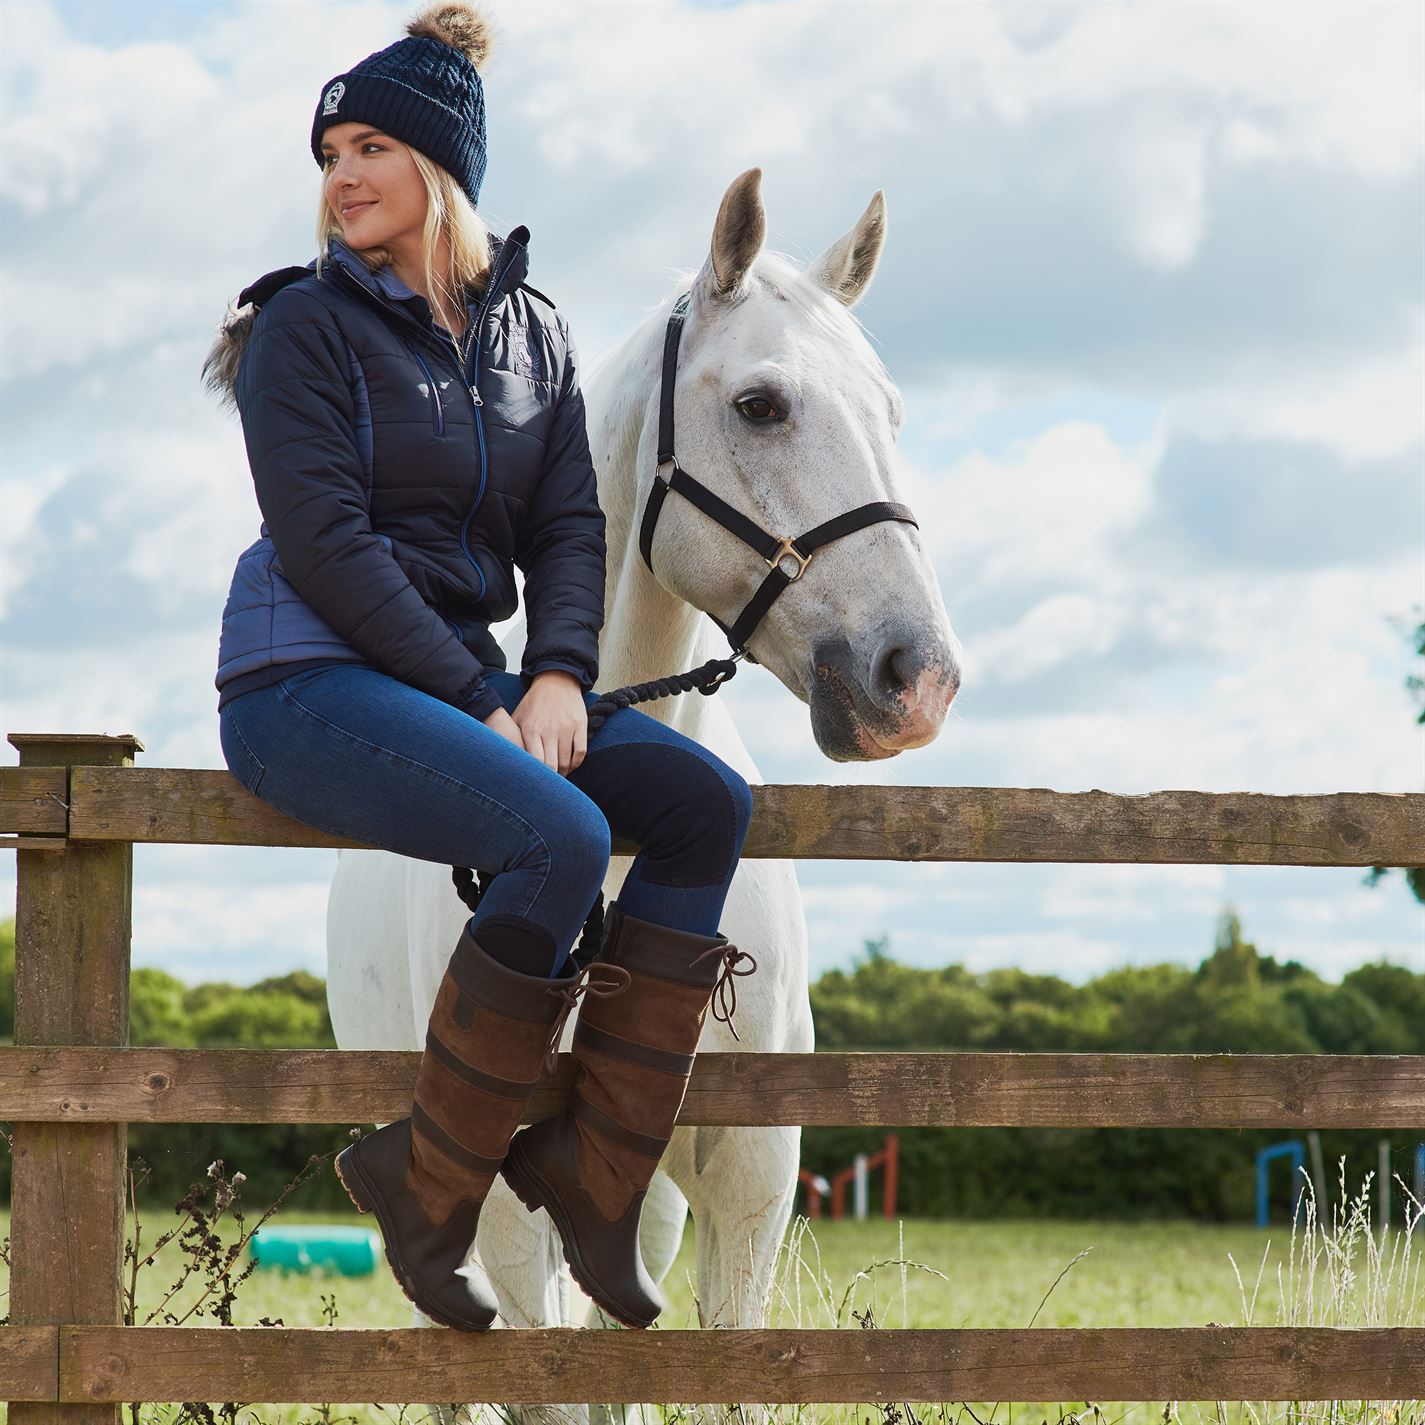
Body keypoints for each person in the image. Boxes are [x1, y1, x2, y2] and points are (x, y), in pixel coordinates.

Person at [200, 0, 756, 1334]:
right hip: (304, 683)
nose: (340, 175)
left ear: (442, 169)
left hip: (471, 682)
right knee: (557, 830)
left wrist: (558, 673)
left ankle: (595, 1172)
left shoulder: (533, 336)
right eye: (329, 150)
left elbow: (571, 522)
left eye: (371, 146)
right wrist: (485, 701)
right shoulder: (300, 335)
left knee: (703, 803)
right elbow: (325, 547)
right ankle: (425, 1183)